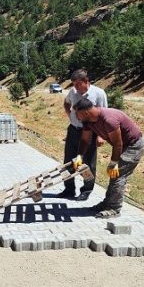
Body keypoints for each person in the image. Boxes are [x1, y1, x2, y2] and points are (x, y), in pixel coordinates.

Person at [72, 97, 144, 219]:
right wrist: (80, 156)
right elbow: (85, 140)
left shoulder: (109, 119)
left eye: (77, 114)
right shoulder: (88, 121)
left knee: (117, 175)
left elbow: (118, 144)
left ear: (85, 112)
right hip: (122, 145)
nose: (76, 117)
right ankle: (107, 204)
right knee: (113, 176)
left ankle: (114, 208)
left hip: (133, 145)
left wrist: (113, 163)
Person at [59, 69, 107, 200]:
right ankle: (68, 189)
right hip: (73, 130)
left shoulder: (99, 93)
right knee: (68, 161)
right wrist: (70, 115)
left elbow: (103, 115)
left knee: (88, 163)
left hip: (90, 133)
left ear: (86, 82)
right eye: (73, 84)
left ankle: (86, 190)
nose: (75, 88)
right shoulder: (73, 92)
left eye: (78, 84)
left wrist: (100, 136)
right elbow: (66, 102)